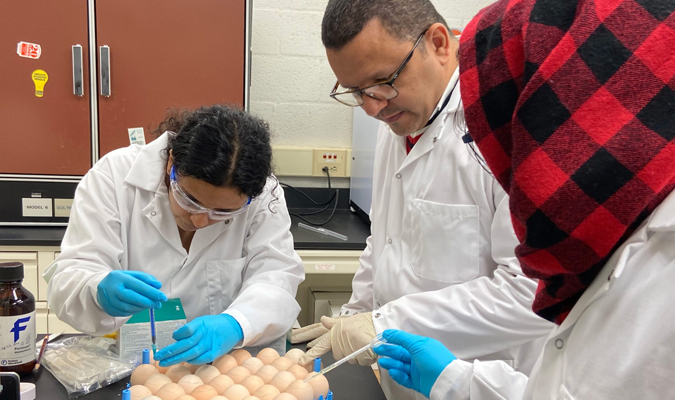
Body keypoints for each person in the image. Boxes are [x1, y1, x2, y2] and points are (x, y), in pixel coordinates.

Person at [374, 0, 675, 399]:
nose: (373, 105)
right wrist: (454, 380)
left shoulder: (651, 274)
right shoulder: (598, 235)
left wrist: (388, 327)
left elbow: (525, 293)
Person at [295, 1, 553, 398]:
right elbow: (384, 242)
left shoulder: (503, 128)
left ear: (438, 43)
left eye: (382, 81)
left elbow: (530, 293)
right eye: (355, 91)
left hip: (482, 380)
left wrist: (381, 323)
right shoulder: (397, 121)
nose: (370, 107)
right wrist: (355, 313)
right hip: (399, 380)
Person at [45, 105, 304, 366]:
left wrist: (236, 324)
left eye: (223, 212)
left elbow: (276, 276)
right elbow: (70, 276)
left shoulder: (263, 196)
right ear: (171, 163)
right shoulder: (114, 177)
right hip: (129, 366)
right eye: (190, 199)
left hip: (222, 367)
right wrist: (96, 289)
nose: (199, 220)